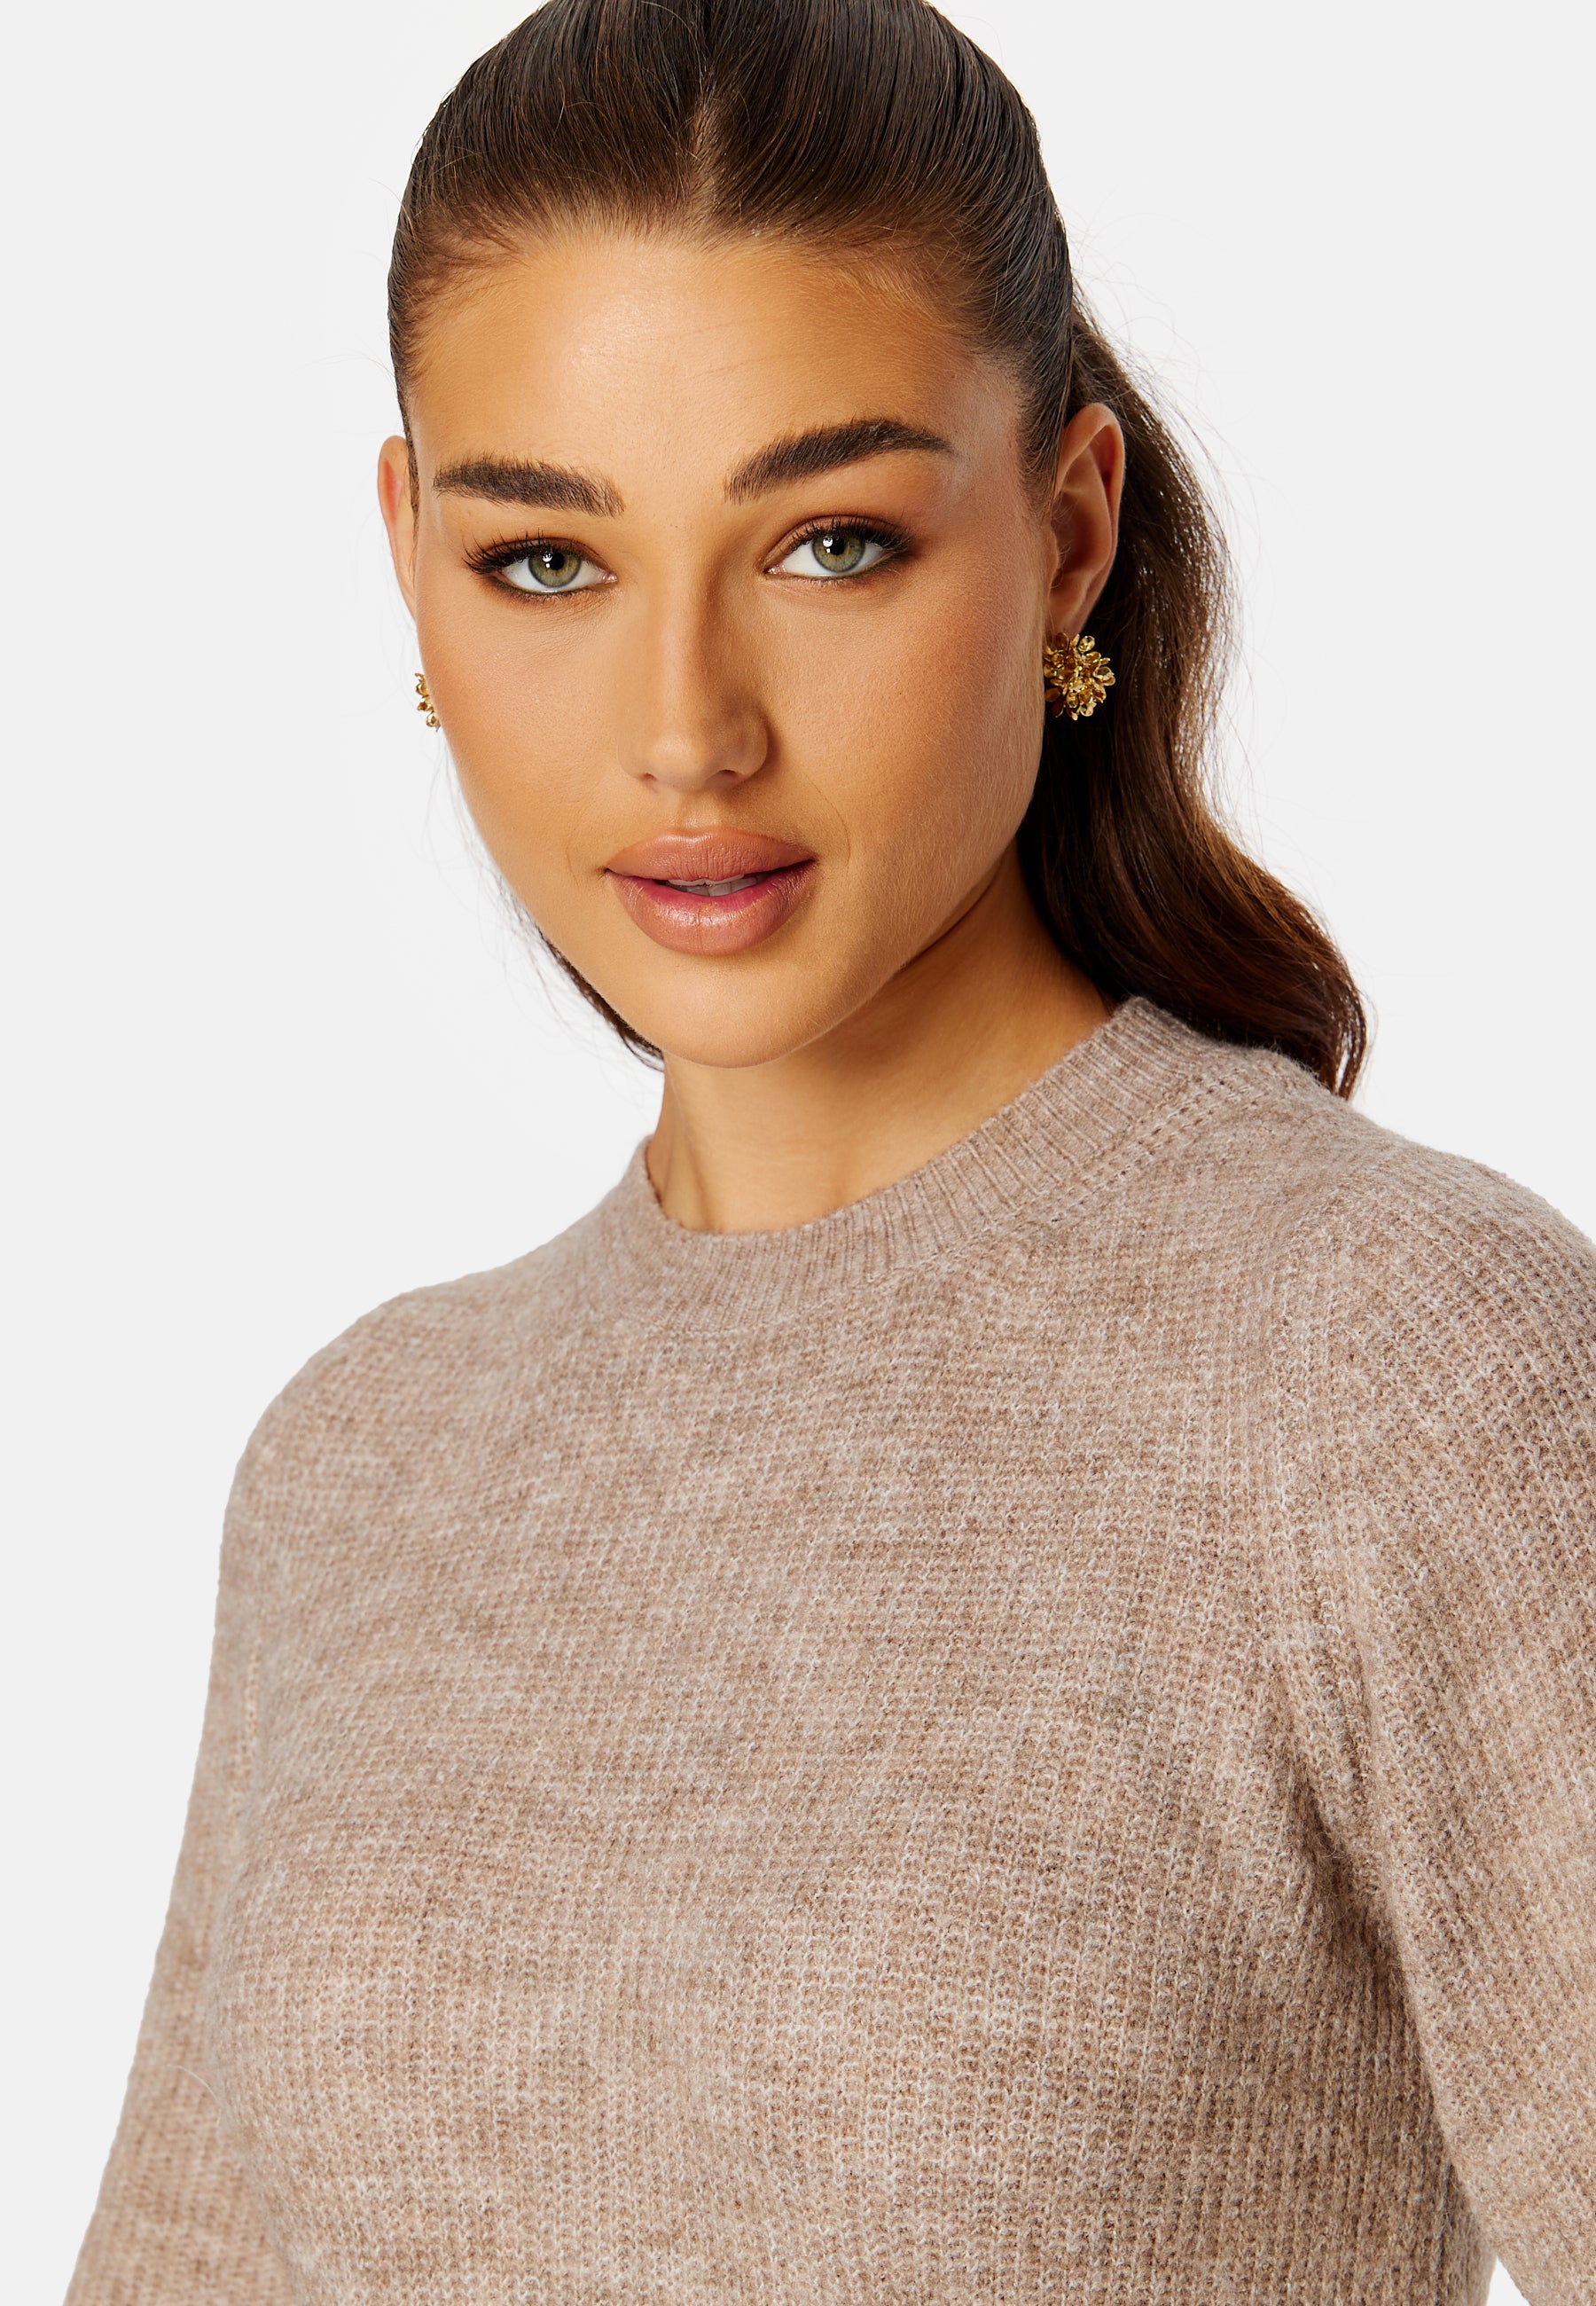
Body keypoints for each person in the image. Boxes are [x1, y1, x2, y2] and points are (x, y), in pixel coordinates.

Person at [67, 1, 1595, 2299]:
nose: (687, 731)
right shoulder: (362, 1464)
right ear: (409, 556)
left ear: (1067, 531)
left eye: (833, 543)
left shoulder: (1393, 1377)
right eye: (548, 563)